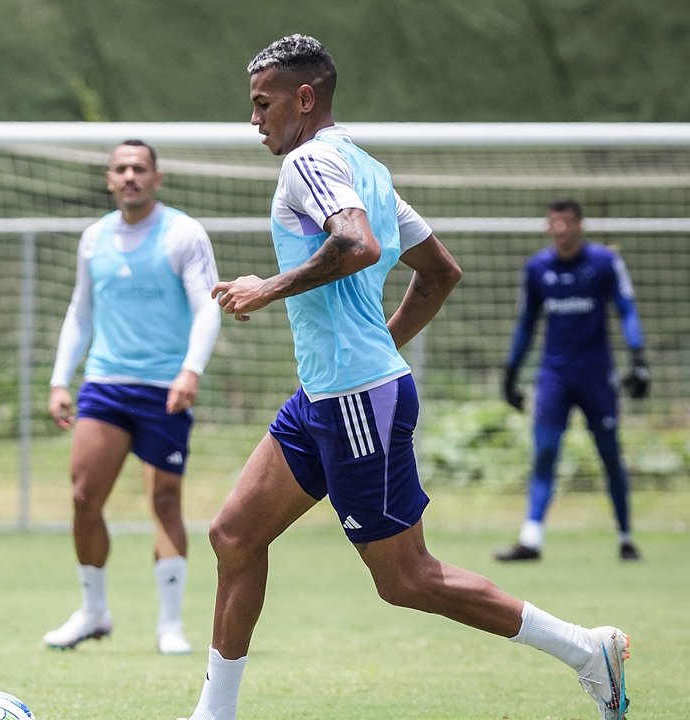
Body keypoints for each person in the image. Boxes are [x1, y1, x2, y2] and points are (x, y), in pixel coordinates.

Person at [178, 36, 630, 720]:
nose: (254, 118)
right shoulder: (368, 170)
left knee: (407, 579)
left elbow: (358, 244)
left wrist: (268, 287)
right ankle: (214, 714)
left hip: (356, 402)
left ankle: (587, 650)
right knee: (234, 536)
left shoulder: (309, 161)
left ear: (306, 98)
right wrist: (376, 350)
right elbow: (439, 272)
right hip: (328, 396)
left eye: (263, 103)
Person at [42, 140, 222, 656]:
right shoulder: (94, 238)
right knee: (84, 497)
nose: (129, 176)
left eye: (139, 168)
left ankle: (170, 625)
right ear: (108, 179)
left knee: (164, 501)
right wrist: (60, 379)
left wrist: (190, 370)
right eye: (120, 168)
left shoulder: (184, 233)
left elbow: (207, 308)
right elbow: (81, 312)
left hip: (166, 389)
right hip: (105, 385)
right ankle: (93, 612)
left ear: (156, 179)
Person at [496, 197, 648, 562]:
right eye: (554, 222)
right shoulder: (537, 268)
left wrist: (638, 359)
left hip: (597, 376)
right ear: (548, 227)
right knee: (545, 453)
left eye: (566, 222)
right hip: (554, 377)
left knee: (609, 454)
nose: (560, 229)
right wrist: (510, 373)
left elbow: (627, 310)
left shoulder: (605, 263)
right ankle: (531, 539)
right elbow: (526, 324)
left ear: (580, 224)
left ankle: (626, 538)